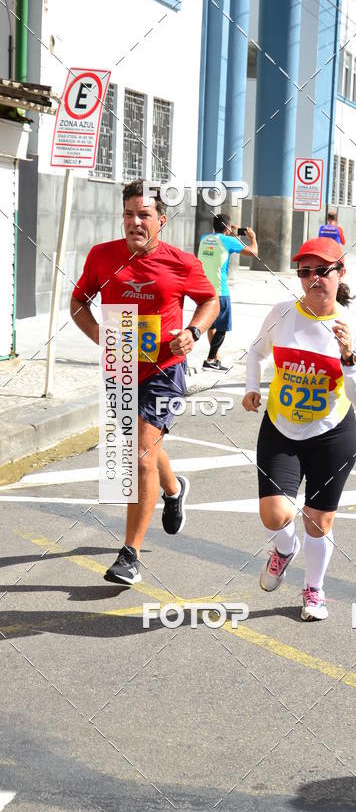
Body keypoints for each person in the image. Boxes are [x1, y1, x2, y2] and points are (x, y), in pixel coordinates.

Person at [71, 180, 219, 585]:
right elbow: (78, 302)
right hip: (120, 366)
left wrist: (193, 331)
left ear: (161, 220)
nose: (135, 222)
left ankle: (130, 554)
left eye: (144, 215)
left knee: (139, 454)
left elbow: (210, 301)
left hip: (164, 369)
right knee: (145, 449)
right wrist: (102, 335)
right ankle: (173, 489)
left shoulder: (181, 262)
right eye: (129, 214)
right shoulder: (102, 257)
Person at [242, 237, 356, 621]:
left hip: (332, 435)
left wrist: (348, 357)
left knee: (318, 521)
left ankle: (314, 589)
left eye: (322, 271)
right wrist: (252, 387)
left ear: (340, 273)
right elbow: (256, 351)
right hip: (281, 429)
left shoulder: (352, 325)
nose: (313, 279)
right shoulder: (283, 312)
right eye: (305, 272)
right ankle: (284, 549)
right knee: (274, 515)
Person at [197, 213, 258, 370]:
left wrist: (229, 229)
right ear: (227, 228)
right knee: (223, 327)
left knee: (211, 324)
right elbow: (253, 253)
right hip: (220, 290)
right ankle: (210, 360)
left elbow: (219, 236)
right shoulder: (229, 241)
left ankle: (214, 356)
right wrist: (252, 237)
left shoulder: (204, 237)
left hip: (204, 289)